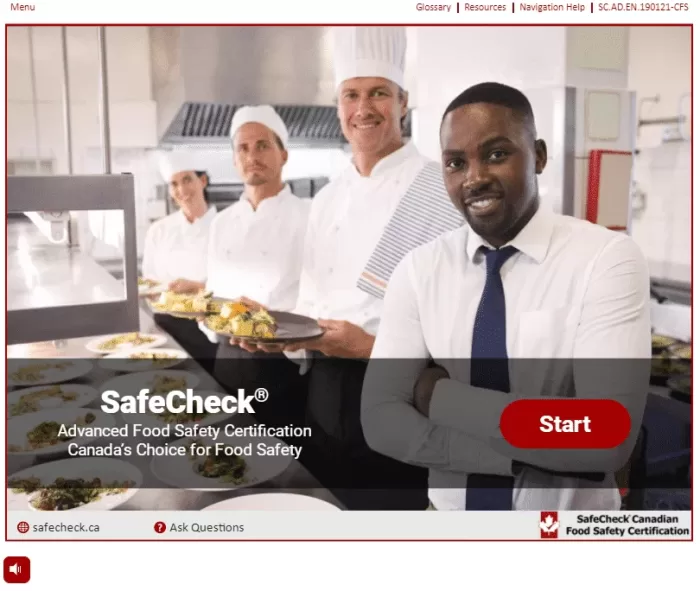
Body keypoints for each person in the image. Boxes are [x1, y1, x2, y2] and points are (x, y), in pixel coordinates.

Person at [361, 82, 651, 511]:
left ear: (538, 155)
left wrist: (435, 396)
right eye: (456, 163)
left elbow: (606, 439)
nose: (474, 177)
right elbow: (381, 420)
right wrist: (504, 460)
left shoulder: (605, 260)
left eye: (497, 154)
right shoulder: (419, 270)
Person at [232, 27, 463, 510]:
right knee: (325, 516)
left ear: (402, 102)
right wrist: (272, 326)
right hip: (321, 393)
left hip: (402, 395)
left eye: (379, 92)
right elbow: (312, 305)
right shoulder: (329, 197)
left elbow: (459, 334)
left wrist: (366, 347)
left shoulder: (439, 190)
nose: (364, 108)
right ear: (338, 108)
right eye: (351, 95)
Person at [199, 105, 311, 428]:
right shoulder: (221, 223)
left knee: (282, 470)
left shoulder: (309, 217)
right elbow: (212, 294)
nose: (252, 156)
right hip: (227, 361)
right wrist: (206, 313)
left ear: (283, 154)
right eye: (243, 148)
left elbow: (319, 304)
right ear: (234, 160)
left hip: (281, 366)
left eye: (263, 145)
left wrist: (269, 320)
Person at [141, 154, 219, 373]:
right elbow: (150, 281)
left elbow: (236, 284)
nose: (181, 190)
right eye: (174, 184)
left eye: (187, 180)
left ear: (202, 181)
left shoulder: (224, 226)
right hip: (167, 327)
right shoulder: (159, 230)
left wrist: (196, 287)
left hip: (210, 326)